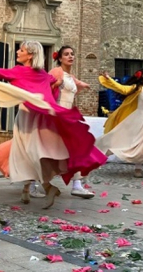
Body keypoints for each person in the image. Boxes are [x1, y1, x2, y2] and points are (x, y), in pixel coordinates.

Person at [0, 41, 106, 209]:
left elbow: (0, 72)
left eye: (21, 50)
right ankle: (30, 188)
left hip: (29, 116)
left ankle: (45, 187)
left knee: (30, 152)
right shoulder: (42, 74)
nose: (18, 52)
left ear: (30, 55)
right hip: (40, 116)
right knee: (34, 151)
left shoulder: (22, 71)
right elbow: (51, 80)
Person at [96, 68, 143, 178]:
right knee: (140, 143)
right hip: (141, 118)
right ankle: (138, 167)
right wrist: (109, 79)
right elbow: (122, 89)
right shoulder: (138, 88)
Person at [48, 45, 94, 199]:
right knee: (48, 150)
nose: (70, 56)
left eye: (72, 54)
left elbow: (75, 86)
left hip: (68, 116)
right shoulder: (56, 71)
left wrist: (84, 85)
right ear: (60, 58)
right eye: (66, 54)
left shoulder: (70, 76)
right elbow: (46, 88)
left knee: (75, 149)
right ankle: (32, 183)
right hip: (57, 115)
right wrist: (54, 85)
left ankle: (77, 185)